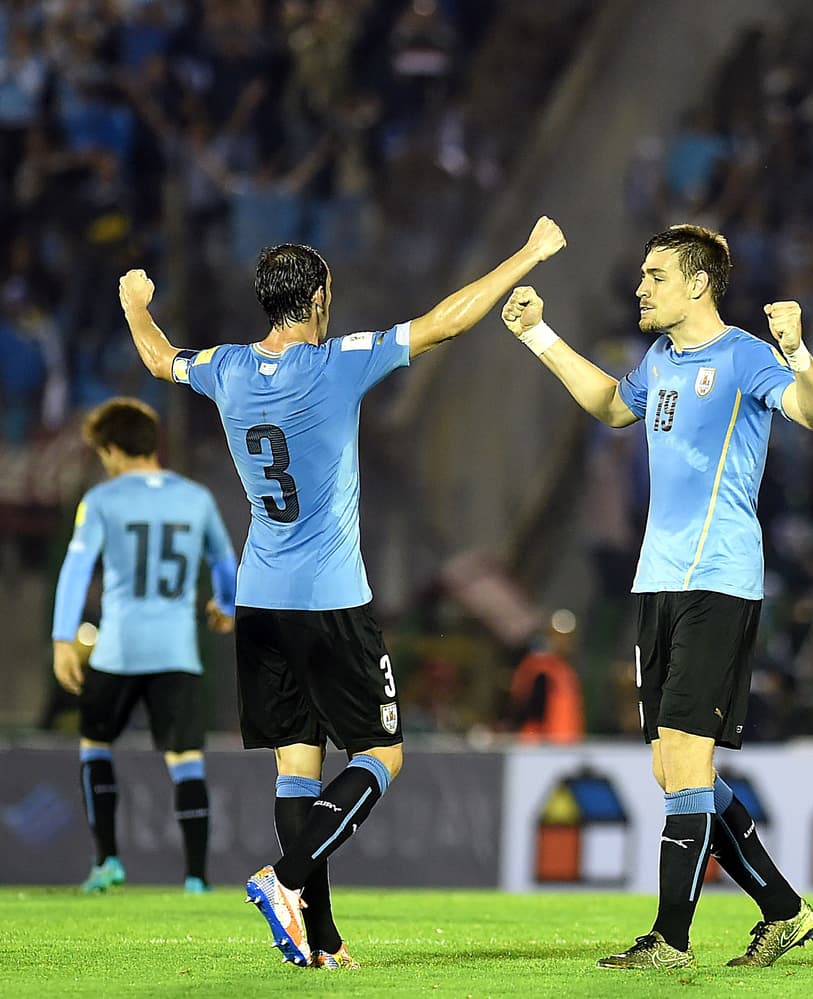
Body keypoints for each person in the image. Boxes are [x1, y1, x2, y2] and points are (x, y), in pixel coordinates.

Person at [118, 216, 566, 969]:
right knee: (384, 753)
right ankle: (286, 878)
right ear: (320, 296)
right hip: (330, 599)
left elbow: (162, 359)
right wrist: (527, 253)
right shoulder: (336, 364)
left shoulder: (226, 368)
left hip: (262, 600)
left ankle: (320, 940)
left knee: (298, 768)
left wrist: (136, 301)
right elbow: (444, 323)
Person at [500, 224, 813, 969]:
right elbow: (612, 406)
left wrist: (799, 350)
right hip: (658, 580)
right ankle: (784, 911)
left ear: (697, 283)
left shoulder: (747, 356)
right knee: (674, 771)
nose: (641, 287)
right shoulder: (659, 359)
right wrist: (538, 335)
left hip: (718, 578)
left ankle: (670, 939)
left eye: (656, 275)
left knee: (686, 761)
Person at [51, 397, 238, 894]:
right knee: (186, 761)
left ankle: (107, 861)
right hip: (178, 652)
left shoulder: (102, 501)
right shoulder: (195, 498)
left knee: (96, 747)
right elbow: (224, 559)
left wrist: (63, 638)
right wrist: (227, 605)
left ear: (112, 449)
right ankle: (197, 877)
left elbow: (75, 571)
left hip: (118, 649)